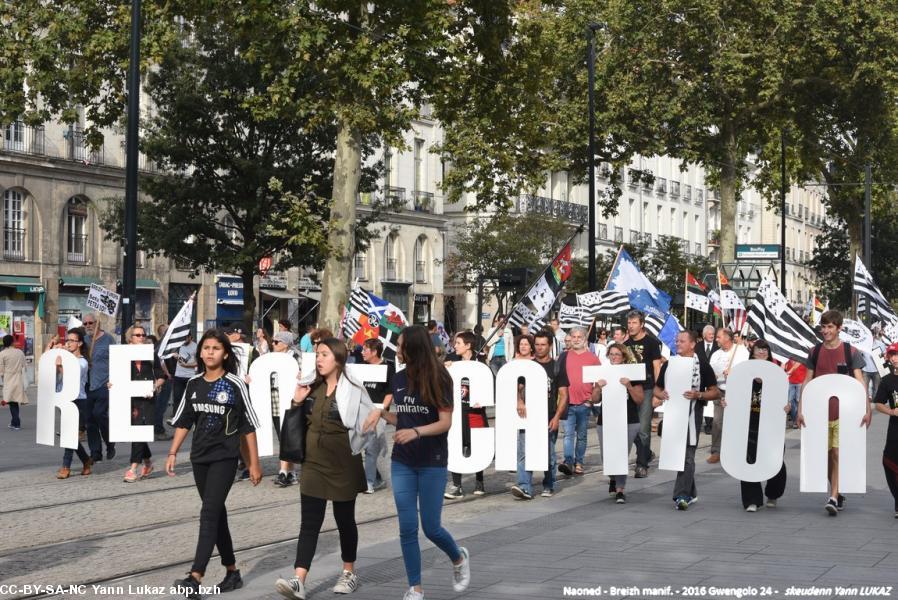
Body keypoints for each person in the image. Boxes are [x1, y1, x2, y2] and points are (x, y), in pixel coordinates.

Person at [362, 325, 470, 600]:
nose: (396, 350)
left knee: (431, 527)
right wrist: (382, 415)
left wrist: (417, 432)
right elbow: (405, 419)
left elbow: (445, 422)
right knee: (407, 527)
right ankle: (415, 588)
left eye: (400, 345)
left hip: (432, 460)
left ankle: (458, 558)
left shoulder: (440, 377)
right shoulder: (398, 379)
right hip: (403, 462)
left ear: (413, 347)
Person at [275, 337, 377, 599]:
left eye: (324, 354)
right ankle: (299, 580)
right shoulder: (310, 387)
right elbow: (295, 422)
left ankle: (348, 573)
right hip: (313, 462)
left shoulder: (354, 388)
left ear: (339, 358)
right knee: (309, 523)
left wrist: (362, 435)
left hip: (343, 462)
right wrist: (297, 401)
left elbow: (369, 422)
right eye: (317, 354)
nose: (319, 359)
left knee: (345, 521)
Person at [167, 329, 262, 599]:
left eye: (215, 348)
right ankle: (232, 572)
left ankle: (195, 576)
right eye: (206, 348)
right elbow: (184, 420)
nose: (210, 352)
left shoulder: (234, 384)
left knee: (208, 512)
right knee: (216, 513)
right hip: (200, 458)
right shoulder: (193, 384)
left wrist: (253, 464)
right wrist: (173, 452)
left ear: (226, 353)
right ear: (200, 353)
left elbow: (248, 427)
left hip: (225, 457)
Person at [796, 309, 871, 516]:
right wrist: (800, 409)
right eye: (823, 326)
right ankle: (837, 492)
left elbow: (860, 382)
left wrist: (866, 409)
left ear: (839, 328)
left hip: (844, 413)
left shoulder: (850, 352)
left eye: (830, 327)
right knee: (827, 455)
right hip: (820, 413)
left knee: (838, 453)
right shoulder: (815, 352)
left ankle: (834, 495)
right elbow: (807, 381)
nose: (826, 330)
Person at [652, 331, 720, 510]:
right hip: (674, 413)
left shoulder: (702, 365)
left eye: (682, 341)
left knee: (688, 454)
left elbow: (715, 392)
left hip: (693, 413)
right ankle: (691, 491)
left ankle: (681, 495)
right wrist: (662, 394)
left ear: (692, 344)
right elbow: (656, 390)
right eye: (676, 341)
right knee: (678, 453)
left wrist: (699, 394)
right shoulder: (670, 364)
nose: (677, 344)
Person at [511, 330, 567, 500]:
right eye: (537, 344)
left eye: (543, 345)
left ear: (550, 346)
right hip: (528, 417)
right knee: (523, 453)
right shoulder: (527, 365)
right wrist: (519, 401)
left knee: (548, 455)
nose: (539, 348)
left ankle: (548, 484)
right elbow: (517, 388)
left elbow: (564, 395)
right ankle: (525, 487)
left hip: (548, 417)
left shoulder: (557, 367)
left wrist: (557, 417)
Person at [739, 340, 788, 512]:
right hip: (749, 421)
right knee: (748, 458)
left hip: (771, 422)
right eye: (758, 349)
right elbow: (736, 394)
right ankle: (752, 499)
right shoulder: (743, 372)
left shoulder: (777, 373)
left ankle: (773, 493)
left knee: (775, 458)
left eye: (765, 349)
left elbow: (783, 397)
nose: (761, 352)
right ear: (752, 352)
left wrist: (786, 406)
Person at [595, 343, 644, 504]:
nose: (614, 357)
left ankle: (620, 490)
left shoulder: (632, 373)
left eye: (618, 354)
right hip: (606, 420)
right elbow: (594, 399)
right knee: (606, 457)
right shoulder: (603, 373)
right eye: (612, 354)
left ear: (624, 356)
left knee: (621, 456)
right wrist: (598, 388)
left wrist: (629, 386)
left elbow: (639, 399)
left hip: (628, 420)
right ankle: (614, 478)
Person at [120, 325, 166, 483]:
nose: (141, 338)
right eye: (137, 335)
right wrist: (112, 385)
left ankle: (133, 468)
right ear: (130, 339)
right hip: (130, 399)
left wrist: (154, 386)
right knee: (138, 432)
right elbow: (116, 376)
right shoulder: (122, 355)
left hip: (146, 399)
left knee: (139, 430)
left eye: (143, 335)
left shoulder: (151, 355)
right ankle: (147, 462)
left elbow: (161, 376)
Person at [444, 331, 487, 499]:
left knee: (476, 444)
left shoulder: (480, 363)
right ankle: (456, 485)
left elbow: (488, 386)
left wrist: (482, 398)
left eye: (459, 343)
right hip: (457, 412)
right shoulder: (453, 363)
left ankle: (479, 481)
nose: (455, 346)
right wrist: (445, 368)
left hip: (474, 412)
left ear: (468, 346)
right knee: (455, 445)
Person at [556, 327, 601, 476]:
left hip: (584, 404)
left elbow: (598, 382)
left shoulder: (593, 358)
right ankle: (568, 461)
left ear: (585, 340)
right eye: (573, 337)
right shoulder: (564, 356)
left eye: (579, 337)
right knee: (568, 434)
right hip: (567, 403)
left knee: (581, 435)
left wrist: (592, 399)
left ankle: (579, 462)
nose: (575, 339)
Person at [623, 311, 663, 478]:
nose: (630, 326)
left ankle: (641, 465)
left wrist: (657, 393)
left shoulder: (652, 343)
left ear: (641, 324)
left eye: (634, 323)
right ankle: (645, 452)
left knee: (644, 428)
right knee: (631, 428)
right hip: (630, 390)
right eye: (629, 323)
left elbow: (656, 367)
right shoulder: (625, 343)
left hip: (646, 389)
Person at [707, 328, 749, 464]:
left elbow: (747, 370)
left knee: (736, 421)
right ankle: (716, 451)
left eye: (719, 337)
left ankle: (736, 450)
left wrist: (734, 372)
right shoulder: (715, 354)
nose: (716, 339)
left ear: (727, 338)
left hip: (737, 391)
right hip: (720, 391)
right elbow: (710, 372)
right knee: (717, 421)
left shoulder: (741, 351)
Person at [57, 328, 93, 478]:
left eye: (72, 340)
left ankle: (66, 466)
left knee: (69, 434)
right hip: (63, 398)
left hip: (78, 400)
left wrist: (59, 366)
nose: (68, 343)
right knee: (70, 435)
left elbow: (72, 375)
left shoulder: (83, 362)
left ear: (79, 343)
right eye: (67, 340)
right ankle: (86, 460)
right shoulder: (66, 358)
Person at [360, 338, 393, 494]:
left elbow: (389, 393)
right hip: (361, 412)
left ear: (374, 352)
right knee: (358, 446)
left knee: (371, 449)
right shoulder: (361, 367)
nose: (362, 352)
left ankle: (369, 483)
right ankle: (378, 479)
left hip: (378, 413)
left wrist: (381, 411)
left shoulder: (387, 368)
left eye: (365, 349)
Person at [83, 314, 115, 461]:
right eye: (85, 323)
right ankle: (95, 451)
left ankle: (110, 442)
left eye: (91, 322)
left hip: (104, 384)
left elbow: (117, 360)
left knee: (99, 414)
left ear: (97, 323)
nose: (88, 325)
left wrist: (114, 379)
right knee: (89, 420)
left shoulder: (108, 339)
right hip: (87, 385)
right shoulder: (83, 340)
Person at [271, 331, 300, 487]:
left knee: (287, 437)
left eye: (276, 342)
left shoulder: (296, 359)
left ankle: (284, 472)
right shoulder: (269, 359)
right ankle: (291, 473)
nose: (273, 344)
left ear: (286, 344)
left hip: (290, 401)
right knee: (283, 437)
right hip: (275, 402)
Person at [874, 342, 898, 518]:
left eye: (897, 354)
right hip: (895, 429)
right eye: (893, 355)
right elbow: (878, 403)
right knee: (888, 462)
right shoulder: (888, 380)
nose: (895, 358)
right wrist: (891, 411)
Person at [0, 334, 27, 430]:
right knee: (14, 401)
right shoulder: (19, 352)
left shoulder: (2, 354)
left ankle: (16, 423)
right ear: (12, 342)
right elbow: (24, 365)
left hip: (8, 379)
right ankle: (13, 422)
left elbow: (1, 370)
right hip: (18, 378)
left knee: (11, 401)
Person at [695, 325, 718, 434]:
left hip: (713, 377)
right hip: (700, 377)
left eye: (713, 334)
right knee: (702, 400)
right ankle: (700, 421)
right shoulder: (697, 346)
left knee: (711, 402)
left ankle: (709, 424)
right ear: (704, 335)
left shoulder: (718, 346)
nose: (712, 336)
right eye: (709, 334)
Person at [172, 333, 199, 423]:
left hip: (190, 376)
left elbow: (198, 362)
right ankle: (176, 417)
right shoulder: (179, 346)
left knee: (190, 398)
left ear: (190, 337)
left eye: (186, 337)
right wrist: (176, 357)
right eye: (183, 338)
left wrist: (187, 365)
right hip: (178, 375)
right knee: (177, 397)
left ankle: (190, 417)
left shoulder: (195, 346)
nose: (184, 339)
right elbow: (178, 359)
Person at [155, 323, 175, 440]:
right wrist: (167, 373)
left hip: (164, 377)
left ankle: (158, 428)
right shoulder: (162, 345)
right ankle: (158, 430)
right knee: (161, 405)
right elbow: (161, 361)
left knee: (161, 404)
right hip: (164, 378)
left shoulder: (165, 345)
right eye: (168, 331)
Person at [783, 358, 807, 429]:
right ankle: (794, 421)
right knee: (790, 402)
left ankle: (797, 421)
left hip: (800, 382)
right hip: (791, 382)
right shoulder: (789, 358)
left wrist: (790, 371)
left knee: (798, 402)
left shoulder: (803, 358)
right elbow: (784, 366)